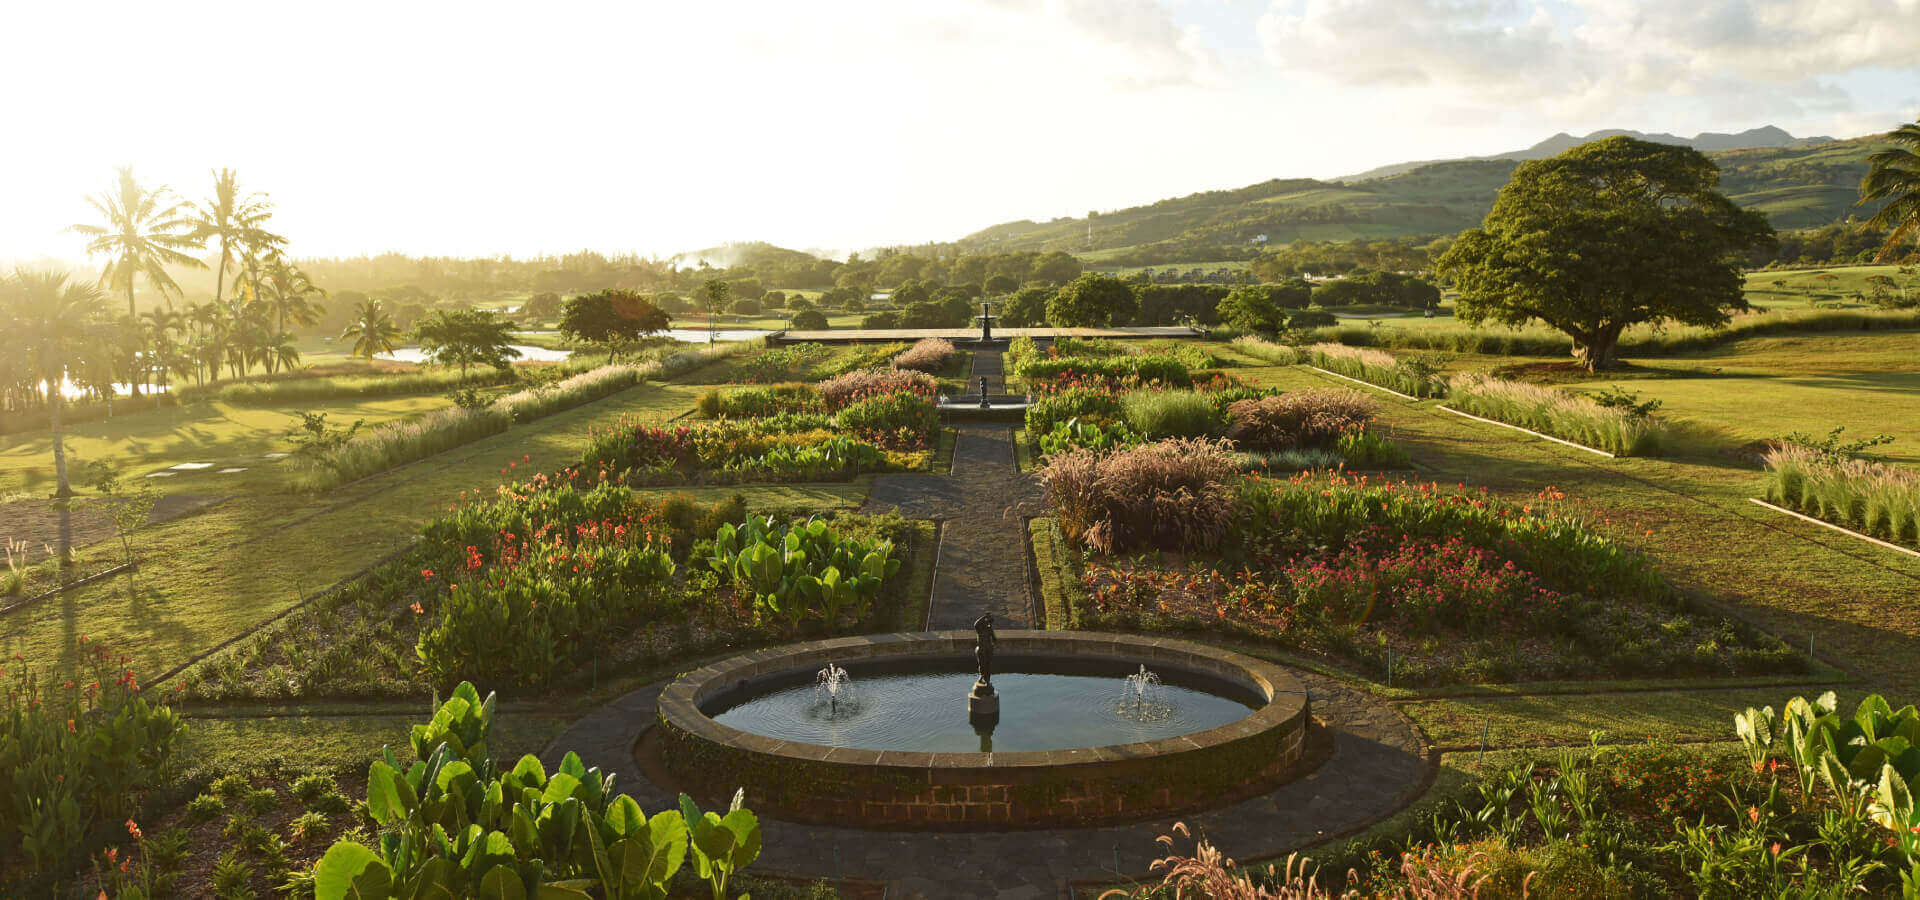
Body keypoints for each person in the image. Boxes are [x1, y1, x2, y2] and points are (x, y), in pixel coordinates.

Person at [973, 612, 997, 684]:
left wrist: (992, 644)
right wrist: (984, 616)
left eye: (990, 622)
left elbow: (994, 639)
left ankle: (987, 680)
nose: (989, 624)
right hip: (981, 648)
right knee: (982, 664)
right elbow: (976, 624)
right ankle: (981, 676)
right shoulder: (979, 629)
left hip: (988, 648)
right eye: (988, 622)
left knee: (988, 664)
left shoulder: (989, 629)